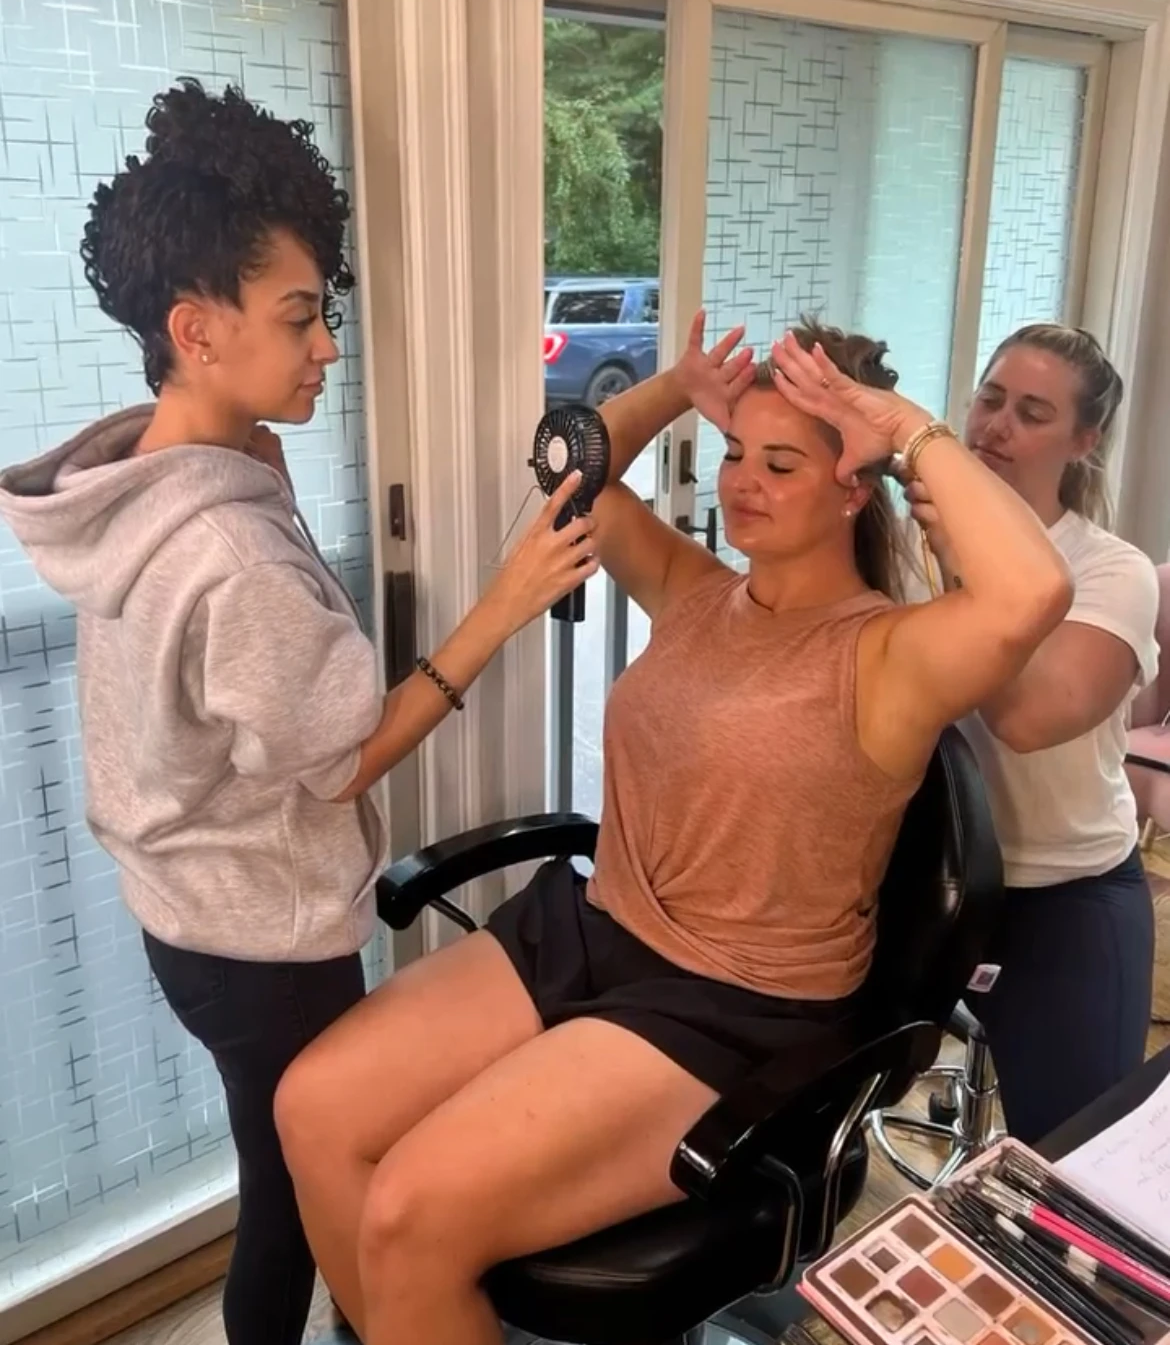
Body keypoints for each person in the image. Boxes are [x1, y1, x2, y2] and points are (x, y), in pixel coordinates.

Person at [274, 311, 1072, 1345]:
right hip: (595, 929)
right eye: (738, 452)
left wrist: (909, 426)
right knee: (313, 1110)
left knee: (409, 1213)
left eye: (782, 462)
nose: (743, 480)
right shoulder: (698, 593)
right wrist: (673, 388)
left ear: (851, 485)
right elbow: (575, 474)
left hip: (730, 1002)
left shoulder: (890, 656)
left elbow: (1034, 591)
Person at [0, 80, 599, 1345]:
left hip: (184, 911)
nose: (328, 345)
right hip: (261, 946)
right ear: (195, 330)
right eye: (298, 317)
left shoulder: (147, 471)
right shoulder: (227, 544)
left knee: (280, 1163)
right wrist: (503, 605)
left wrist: (259, 478)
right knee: (296, 1190)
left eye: (324, 313)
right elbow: (339, 763)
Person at [903, 324, 1159, 1144]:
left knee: (1078, 1158)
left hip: (1066, 891)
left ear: (1083, 441)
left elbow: (1023, 718)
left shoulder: (1108, 570)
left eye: (1033, 412)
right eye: (990, 398)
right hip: (924, 882)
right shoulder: (907, 547)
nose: (994, 427)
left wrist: (960, 553)